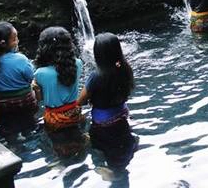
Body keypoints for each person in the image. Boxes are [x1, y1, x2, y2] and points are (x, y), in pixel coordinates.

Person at [78, 33, 137, 169]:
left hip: (102, 122)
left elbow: (80, 101)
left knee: (98, 147)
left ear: (98, 55)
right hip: (122, 114)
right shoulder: (125, 69)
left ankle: (106, 167)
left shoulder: (96, 76)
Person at [33, 27, 84, 131]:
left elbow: (40, 99)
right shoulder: (78, 64)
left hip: (55, 120)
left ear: (44, 49)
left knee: (59, 145)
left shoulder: (40, 73)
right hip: (75, 113)